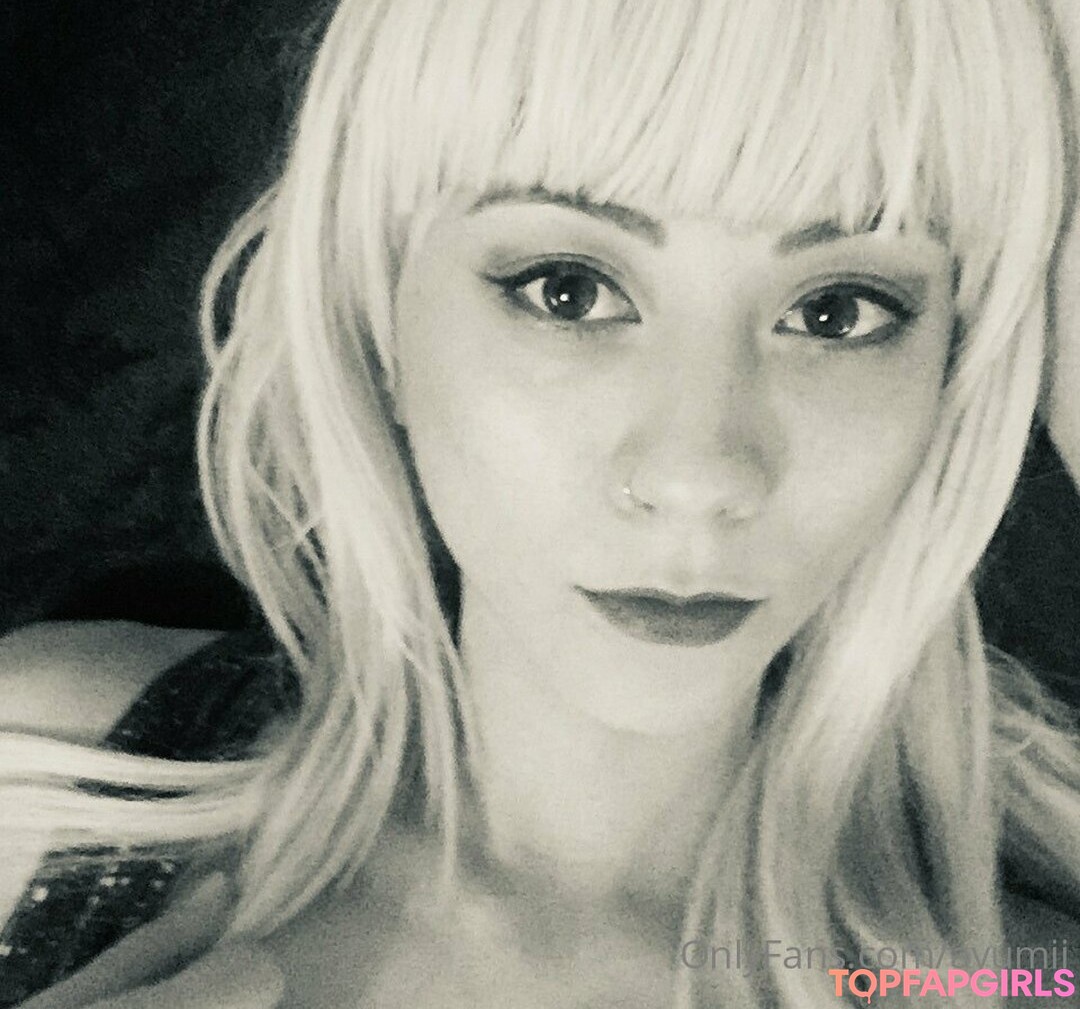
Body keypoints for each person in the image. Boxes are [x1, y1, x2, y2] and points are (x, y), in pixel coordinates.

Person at [3, 0, 1080, 1005]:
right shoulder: (42, 774)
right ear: (381, 313)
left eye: (837, 311)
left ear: (956, 370)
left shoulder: (1020, 982)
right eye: (570, 291)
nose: (698, 474)